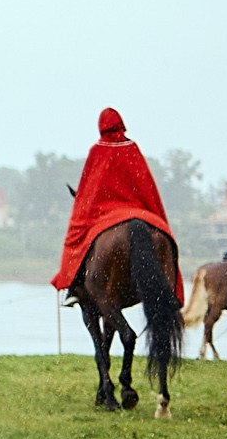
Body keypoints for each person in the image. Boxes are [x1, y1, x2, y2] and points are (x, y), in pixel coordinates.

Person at [52, 106, 176, 303]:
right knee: (165, 235)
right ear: (122, 125)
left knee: (76, 237)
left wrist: (85, 205)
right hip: (139, 209)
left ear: (101, 127)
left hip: (106, 212)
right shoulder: (132, 148)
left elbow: (89, 190)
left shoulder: (98, 151)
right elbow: (146, 186)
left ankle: (74, 285)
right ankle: (173, 290)